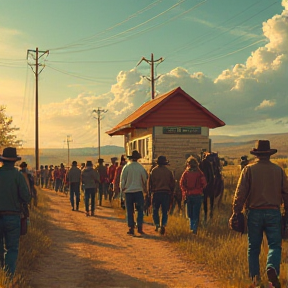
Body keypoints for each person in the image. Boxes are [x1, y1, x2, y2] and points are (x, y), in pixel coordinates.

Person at [231, 140, 288, 288]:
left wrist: (236, 212)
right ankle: (271, 268)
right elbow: (286, 193)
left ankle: (255, 281)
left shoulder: (249, 170)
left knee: (253, 247)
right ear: (269, 154)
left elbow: (240, 193)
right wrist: (286, 213)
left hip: (254, 212)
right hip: (274, 212)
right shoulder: (279, 170)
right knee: (275, 245)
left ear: (256, 154)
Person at [0, 147, 31, 277]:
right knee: (12, 249)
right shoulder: (18, 175)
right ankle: (8, 277)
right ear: (14, 161)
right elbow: (26, 197)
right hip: (13, 216)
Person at [120, 150, 148, 235]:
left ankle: (131, 228)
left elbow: (122, 180)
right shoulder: (140, 167)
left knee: (129, 210)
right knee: (140, 210)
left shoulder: (126, 167)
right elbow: (145, 179)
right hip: (138, 191)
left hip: (128, 192)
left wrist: (122, 192)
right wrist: (145, 190)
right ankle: (139, 226)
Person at [179, 156, 207, 235]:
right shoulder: (200, 173)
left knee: (190, 213)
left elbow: (181, 183)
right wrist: (200, 189)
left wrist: (185, 191)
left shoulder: (186, 173)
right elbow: (204, 183)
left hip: (188, 195)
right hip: (197, 195)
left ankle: (191, 227)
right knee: (196, 213)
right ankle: (194, 228)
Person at [148, 156, 175, 235]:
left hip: (156, 193)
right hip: (166, 193)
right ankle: (163, 224)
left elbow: (150, 183)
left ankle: (157, 225)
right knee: (164, 211)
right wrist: (171, 192)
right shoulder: (169, 172)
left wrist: (149, 193)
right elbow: (172, 184)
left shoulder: (153, 171)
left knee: (155, 210)